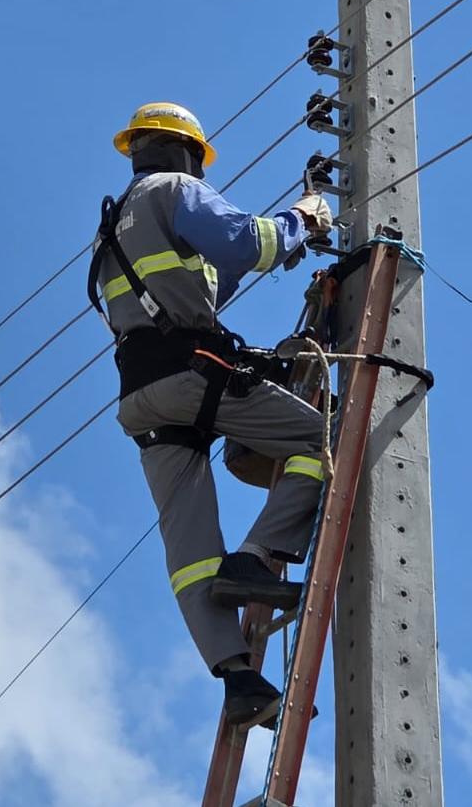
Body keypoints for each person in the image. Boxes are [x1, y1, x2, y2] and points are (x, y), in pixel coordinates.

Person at [88, 102, 334, 728]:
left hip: (141, 398)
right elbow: (248, 244)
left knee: (190, 547)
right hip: (191, 376)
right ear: (187, 154)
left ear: (137, 150)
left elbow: (209, 278)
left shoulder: (116, 227)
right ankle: (258, 555)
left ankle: (237, 678)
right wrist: (302, 219)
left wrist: (285, 245)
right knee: (317, 438)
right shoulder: (176, 190)